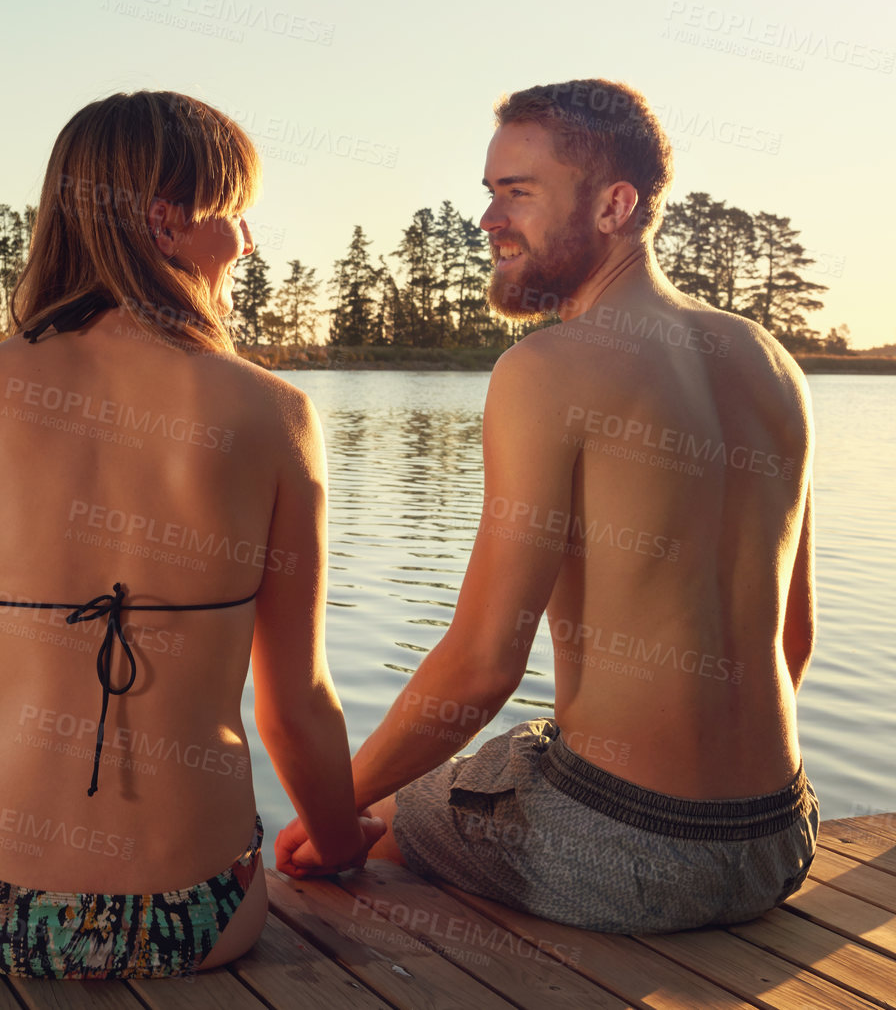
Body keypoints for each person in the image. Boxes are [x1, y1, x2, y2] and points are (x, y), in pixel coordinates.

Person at [277, 78, 819, 935]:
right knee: (514, 753)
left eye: (518, 193)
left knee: (348, 841)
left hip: (630, 851)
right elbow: (790, 641)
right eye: (489, 192)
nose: (488, 219)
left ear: (614, 205)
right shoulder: (770, 363)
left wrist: (332, 812)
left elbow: (483, 664)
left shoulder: (550, 367)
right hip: (777, 836)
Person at [0, 90, 380, 979]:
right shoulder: (272, 412)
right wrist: (340, 839)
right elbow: (295, 703)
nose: (245, 241)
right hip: (202, 908)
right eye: (234, 215)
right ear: (164, 222)